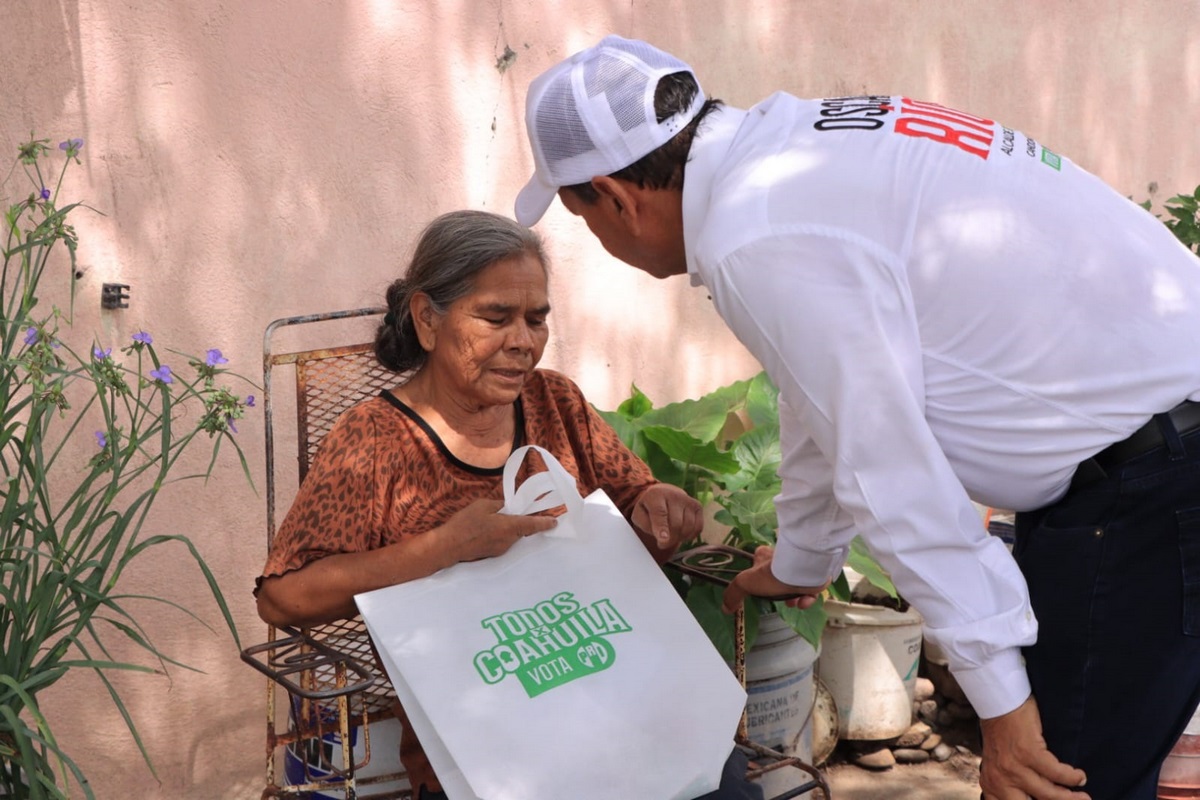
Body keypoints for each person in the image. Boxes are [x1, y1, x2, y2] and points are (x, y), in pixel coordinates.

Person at [515, 35, 1200, 800]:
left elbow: (892, 476)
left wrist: (1002, 705)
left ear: (613, 194)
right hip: (1156, 451)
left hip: (1150, 485)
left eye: (583, 220)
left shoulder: (758, 234)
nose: (600, 241)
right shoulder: (793, 149)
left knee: (1055, 784)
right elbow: (825, 400)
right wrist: (803, 559)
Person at [255, 210, 763, 800]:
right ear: (427, 319)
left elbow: (633, 523)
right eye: (496, 317)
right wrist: (443, 548)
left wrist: (659, 506)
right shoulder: (374, 440)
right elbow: (283, 598)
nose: (523, 342)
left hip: (618, 699)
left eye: (536, 319)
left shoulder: (557, 404)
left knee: (718, 783)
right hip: (489, 744)